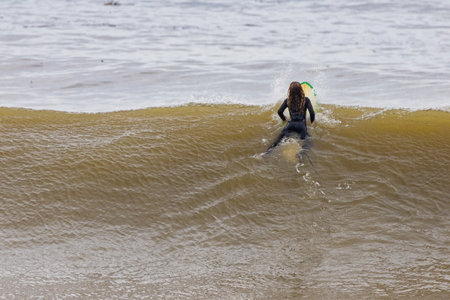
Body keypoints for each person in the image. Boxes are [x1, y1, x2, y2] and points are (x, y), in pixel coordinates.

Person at [266, 81, 315, 154]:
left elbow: (279, 112)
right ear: (301, 90)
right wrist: (311, 122)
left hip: (290, 124)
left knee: (277, 142)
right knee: (307, 143)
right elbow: (312, 113)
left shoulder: (287, 101)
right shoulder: (306, 100)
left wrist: (284, 119)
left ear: (290, 91)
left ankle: (265, 154)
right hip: (301, 126)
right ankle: (300, 155)